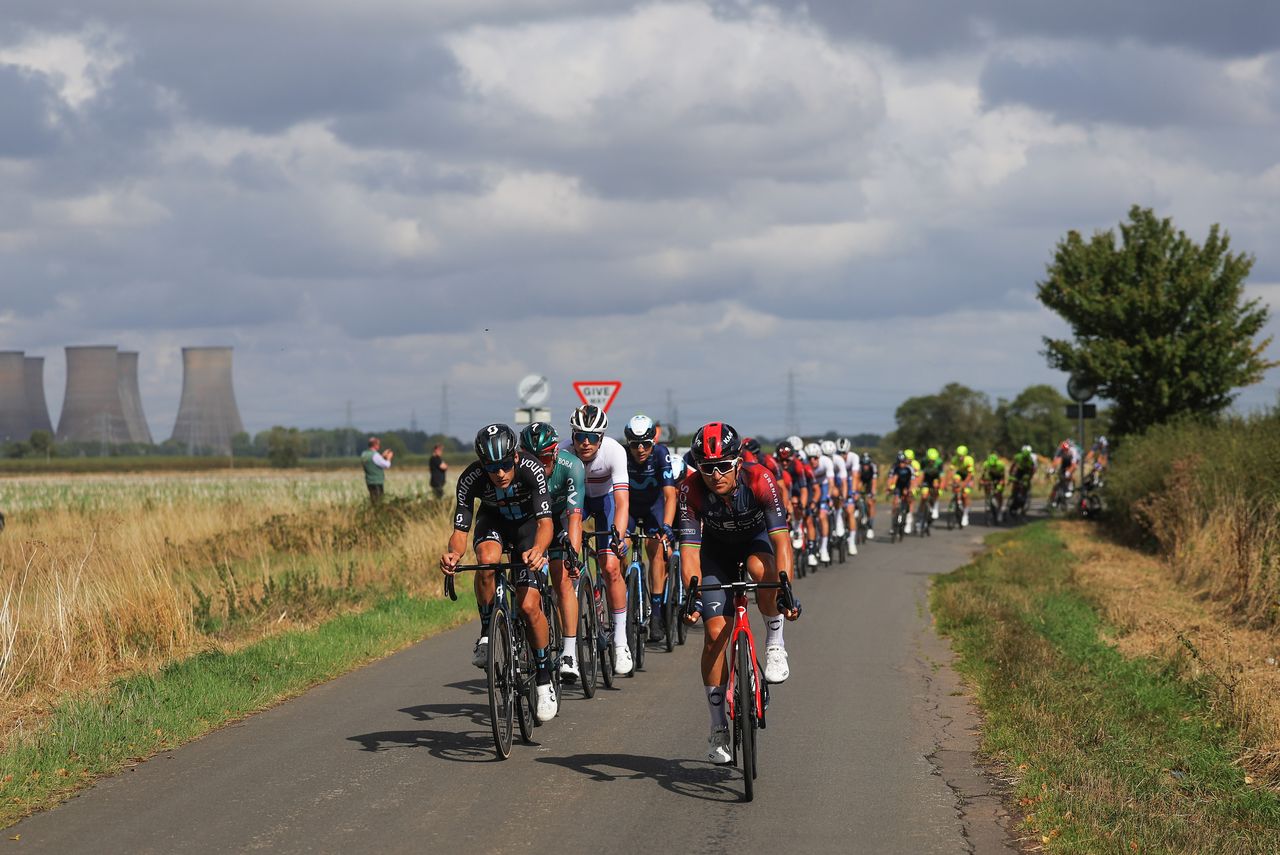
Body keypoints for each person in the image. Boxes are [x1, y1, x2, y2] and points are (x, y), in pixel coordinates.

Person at [678, 422, 799, 763]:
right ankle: (718, 729)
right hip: (716, 553)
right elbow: (689, 551)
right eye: (706, 468)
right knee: (716, 633)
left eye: (723, 466)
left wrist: (786, 586)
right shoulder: (690, 489)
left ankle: (775, 644)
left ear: (737, 462)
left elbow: (780, 539)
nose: (715, 475)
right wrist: (692, 595)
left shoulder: (760, 479)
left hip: (754, 543)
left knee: (764, 573)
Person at [440, 424, 557, 721]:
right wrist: (454, 553)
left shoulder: (532, 470)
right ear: (482, 464)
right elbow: (460, 530)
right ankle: (486, 632)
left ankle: (544, 679)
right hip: (492, 522)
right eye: (492, 467)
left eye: (505, 465)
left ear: (515, 458)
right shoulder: (470, 479)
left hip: (527, 529)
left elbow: (546, 523)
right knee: (486, 560)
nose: (500, 473)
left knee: (529, 606)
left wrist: (539, 551)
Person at [568, 405, 635, 675]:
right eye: (580, 436)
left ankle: (620, 641)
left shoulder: (615, 452)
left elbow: (621, 502)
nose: (586, 443)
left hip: (606, 501)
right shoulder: (563, 452)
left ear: (602, 438)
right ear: (572, 436)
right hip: (578, 502)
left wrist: (618, 536)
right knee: (566, 568)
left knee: (609, 566)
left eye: (593, 437)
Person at [519, 422, 586, 683]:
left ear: (556, 453)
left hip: (559, 519)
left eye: (544, 458)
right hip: (530, 521)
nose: (538, 464)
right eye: (531, 458)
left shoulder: (572, 467)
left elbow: (575, 519)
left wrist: (573, 557)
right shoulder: (518, 471)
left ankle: (569, 652)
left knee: (563, 579)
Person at [623, 414, 678, 644]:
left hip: (654, 508)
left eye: (645, 443)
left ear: (652, 442)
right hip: (630, 509)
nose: (641, 449)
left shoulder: (660, 454)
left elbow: (670, 494)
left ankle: (656, 613)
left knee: (655, 550)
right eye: (635, 444)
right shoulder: (622, 455)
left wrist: (666, 525)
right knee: (620, 546)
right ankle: (628, 586)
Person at [360, 437, 394, 504]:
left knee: (373, 500)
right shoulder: (375, 455)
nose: (379, 446)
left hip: (369, 481)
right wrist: (389, 458)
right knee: (378, 502)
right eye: (378, 444)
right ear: (375, 445)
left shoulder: (364, 454)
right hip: (377, 482)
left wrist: (382, 456)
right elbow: (386, 465)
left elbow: (373, 462)